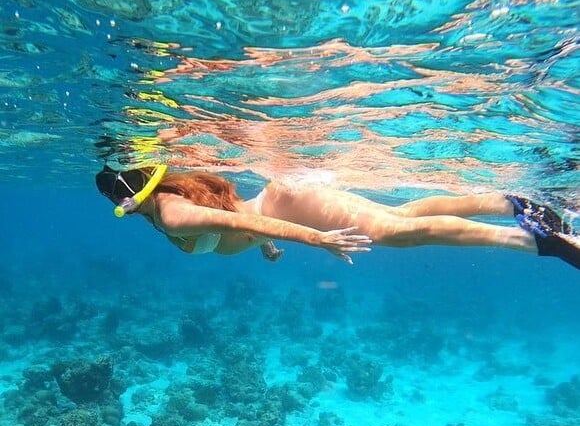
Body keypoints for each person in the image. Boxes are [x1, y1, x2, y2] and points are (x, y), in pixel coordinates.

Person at [96, 165, 579, 269]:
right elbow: (238, 217)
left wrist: (317, 238)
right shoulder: (165, 199)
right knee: (400, 214)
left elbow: (248, 223)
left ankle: (541, 241)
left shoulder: (173, 214)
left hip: (289, 205)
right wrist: (261, 245)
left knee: (396, 232)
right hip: (280, 199)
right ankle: (518, 204)